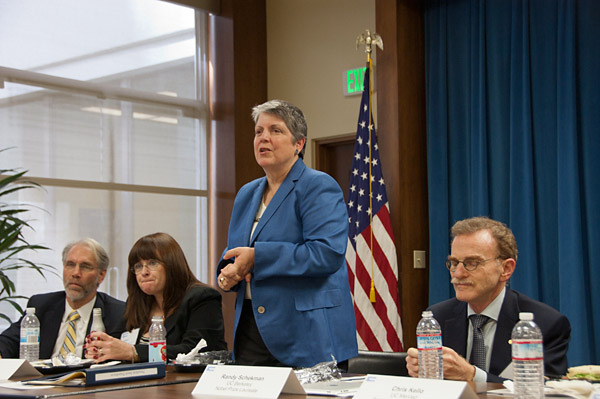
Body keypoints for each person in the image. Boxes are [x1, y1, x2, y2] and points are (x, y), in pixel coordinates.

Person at [217, 99, 358, 368]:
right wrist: (228, 273)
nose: (264, 138)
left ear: (299, 144)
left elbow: (326, 254)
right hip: (251, 329)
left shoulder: (318, 186)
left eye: (276, 131)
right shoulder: (247, 193)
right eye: (259, 131)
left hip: (307, 334)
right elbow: (236, 253)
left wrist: (257, 257)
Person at [406, 216, 570, 382]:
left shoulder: (544, 324)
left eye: (472, 263)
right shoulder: (437, 317)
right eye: (454, 263)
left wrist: (472, 376)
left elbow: (546, 390)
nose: (458, 273)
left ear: (506, 269)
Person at [85, 232, 227, 362]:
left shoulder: (202, 298)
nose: (144, 272)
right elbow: (116, 344)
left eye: (152, 263)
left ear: (172, 265)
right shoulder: (136, 304)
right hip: (138, 384)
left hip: (184, 385)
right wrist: (101, 349)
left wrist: (133, 352)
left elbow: (197, 352)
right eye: (138, 266)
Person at [0, 238, 125, 359]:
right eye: (70, 265)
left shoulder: (117, 313)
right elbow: (7, 342)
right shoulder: (41, 306)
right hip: (40, 379)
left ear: (101, 275)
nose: (75, 273)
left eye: (85, 266)